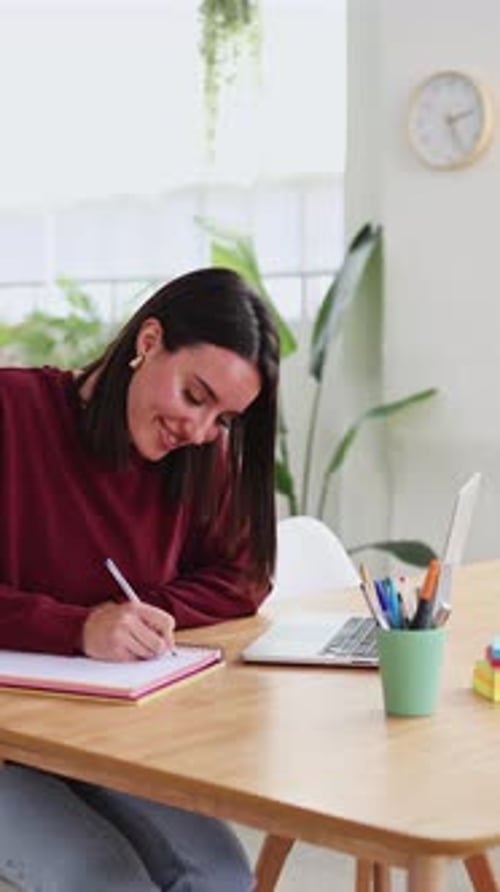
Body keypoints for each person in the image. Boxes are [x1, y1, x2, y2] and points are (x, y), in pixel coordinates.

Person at [0, 267, 280, 892]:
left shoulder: (195, 456)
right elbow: (86, 625)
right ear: (148, 341)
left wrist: (138, 615)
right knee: (105, 879)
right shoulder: (11, 412)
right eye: (195, 396)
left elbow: (244, 575)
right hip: (7, 742)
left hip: (106, 735)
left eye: (224, 420)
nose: (201, 430)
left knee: (222, 875)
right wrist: (79, 628)